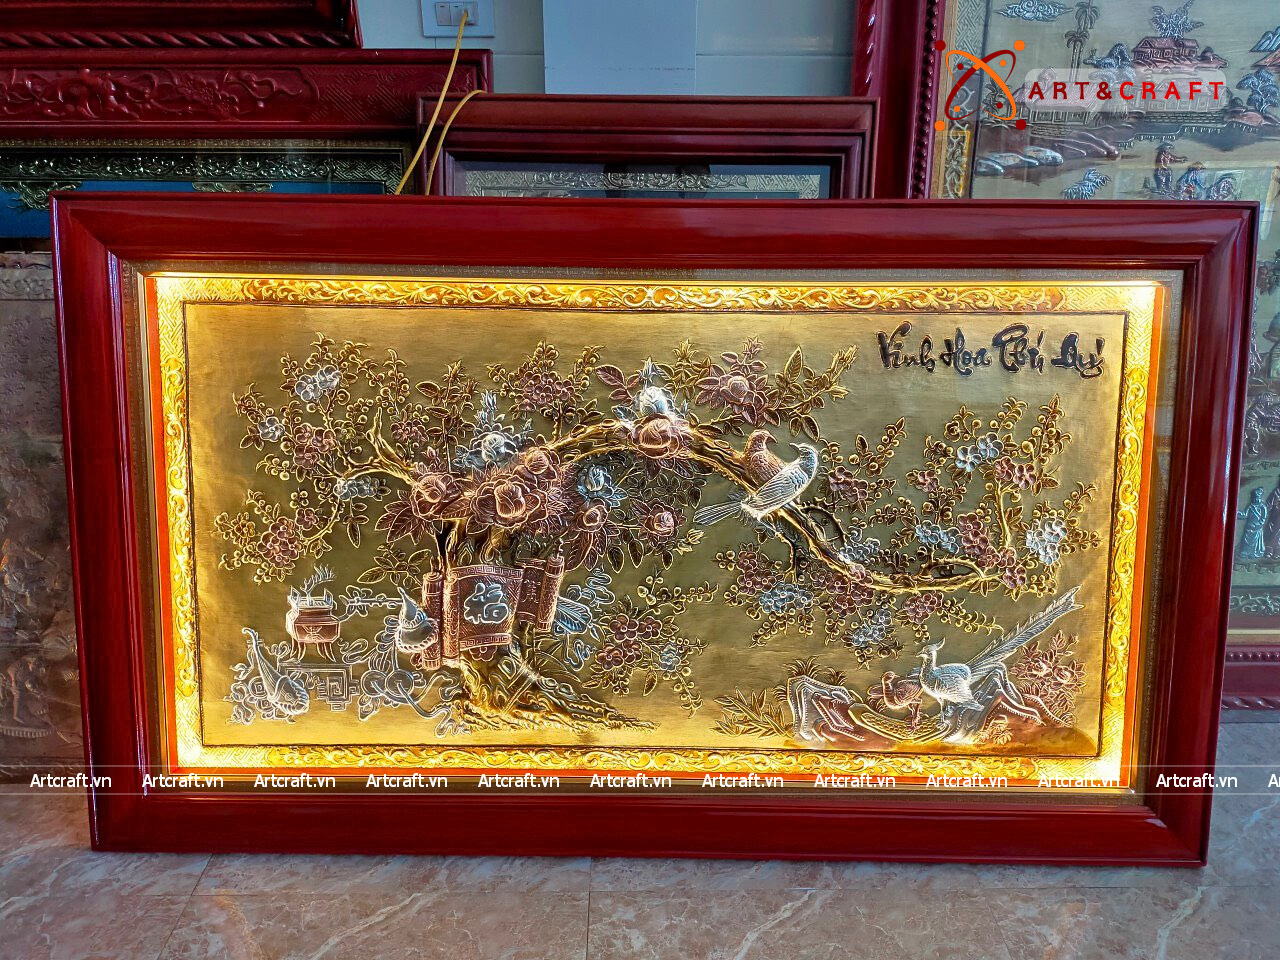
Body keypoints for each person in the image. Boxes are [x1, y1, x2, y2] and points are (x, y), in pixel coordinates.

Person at [1238, 486, 1268, 560]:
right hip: (1249, 526)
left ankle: (1254, 553)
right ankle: (1245, 552)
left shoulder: (1262, 507)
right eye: (1255, 498)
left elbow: (1263, 517)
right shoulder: (1250, 506)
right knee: (1246, 540)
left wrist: (1260, 524)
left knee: (1256, 541)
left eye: (1258, 498)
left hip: (1257, 527)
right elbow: (1245, 514)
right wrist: (1237, 513)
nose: (1256, 499)